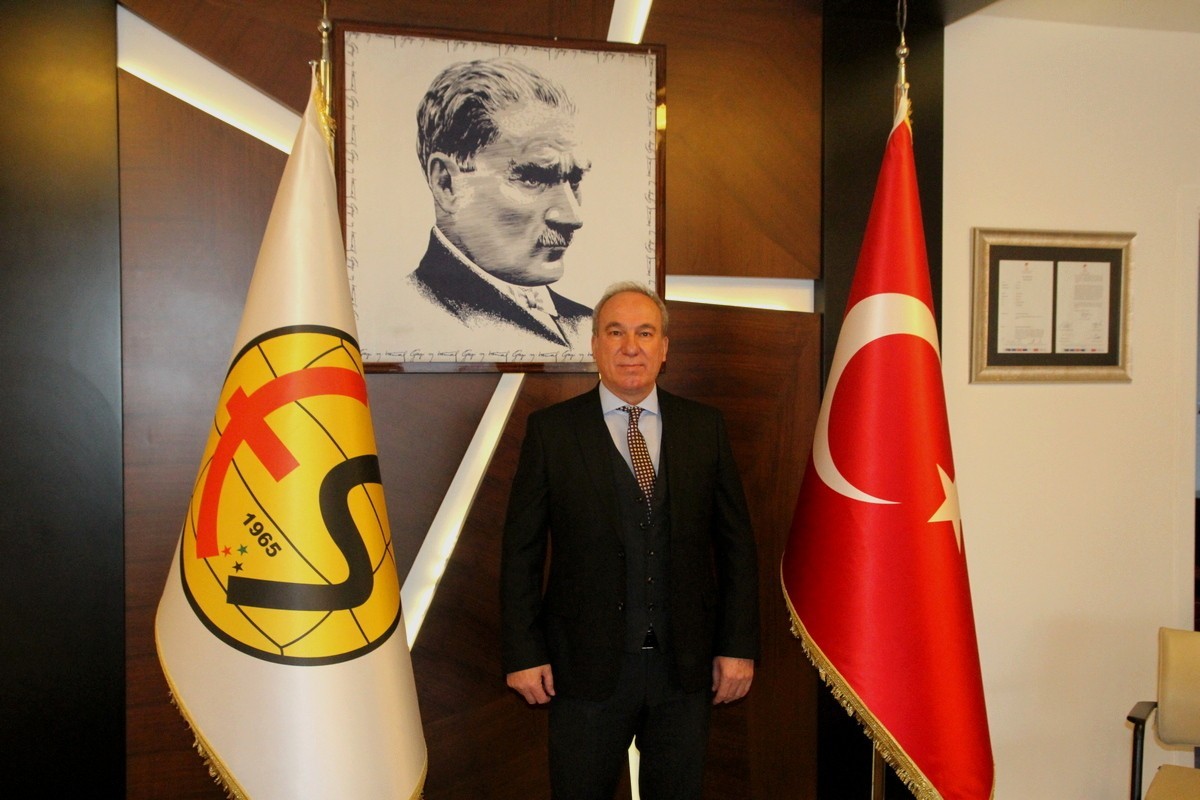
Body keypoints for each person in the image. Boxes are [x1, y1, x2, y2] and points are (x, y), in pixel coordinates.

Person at [501, 282, 760, 799]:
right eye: (615, 332)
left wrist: (737, 646)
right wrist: (523, 652)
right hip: (583, 670)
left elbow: (736, 548)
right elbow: (521, 553)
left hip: (684, 671)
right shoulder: (552, 432)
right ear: (594, 345)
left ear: (664, 348)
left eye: (645, 333)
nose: (630, 347)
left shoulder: (704, 428)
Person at [408, 58, 593, 350]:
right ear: (447, 184)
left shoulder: (586, 324)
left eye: (574, 180)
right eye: (532, 178)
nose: (572, 217)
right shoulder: (413, 318)